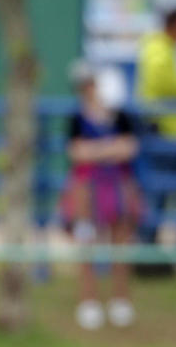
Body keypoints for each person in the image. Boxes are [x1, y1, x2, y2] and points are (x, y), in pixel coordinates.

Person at [60, 61, 141, 330]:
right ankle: (88, 301)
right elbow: (76, 152)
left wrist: (95, 150)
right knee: (87, 244)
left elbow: (129, 148)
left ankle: (120, 301)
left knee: (121, 245)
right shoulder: (77, 118)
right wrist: (110, 149)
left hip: (118, 187)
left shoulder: (123, 118)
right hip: (86, 190)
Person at [135, 7, 176, 255]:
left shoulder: (160, 48)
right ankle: (160, 250)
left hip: (166, 132)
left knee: (164, 192)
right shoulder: (159, 49)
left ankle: (154, 250)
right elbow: (161, 81)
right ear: (175, 25)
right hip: (163, 131)